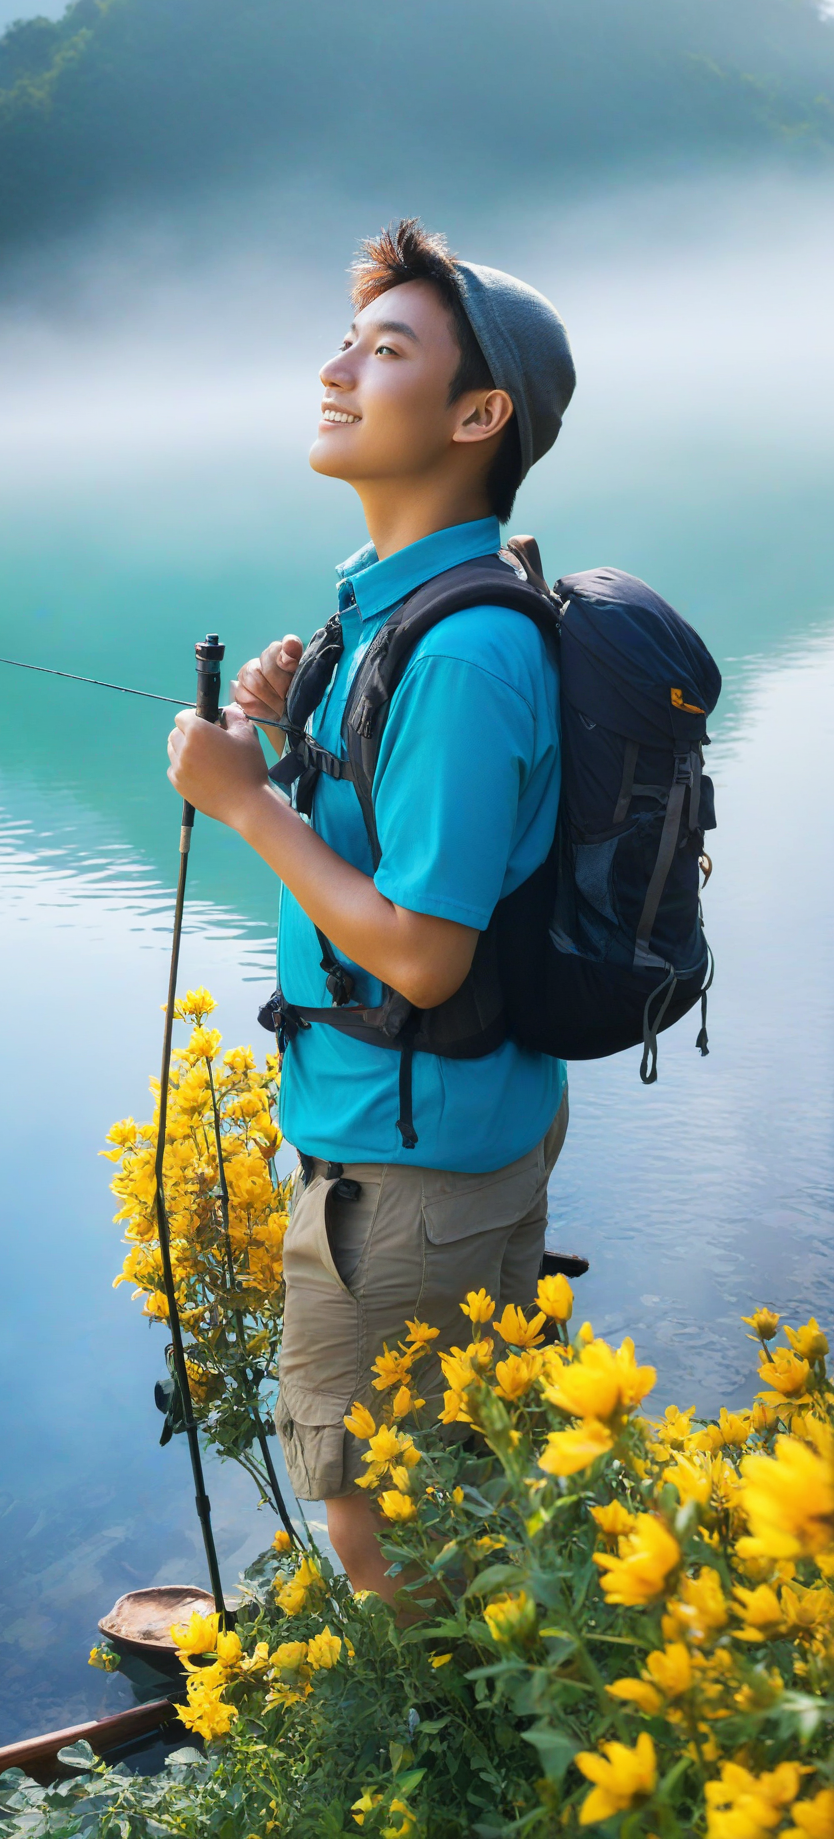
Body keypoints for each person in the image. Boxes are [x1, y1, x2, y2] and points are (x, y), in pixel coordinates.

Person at [166, 218, 575, 1603]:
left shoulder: (461, 651)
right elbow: (412, 839)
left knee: (373, 1524)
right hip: (446, 1133)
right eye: (348, 339)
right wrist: (294, 735)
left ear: (479, 415)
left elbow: (420, 948)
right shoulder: (400, 615)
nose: (338, 368)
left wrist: (246, 805)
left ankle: (454, 1774)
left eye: (386, 348)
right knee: (460, 1478)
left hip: (404, 1175)